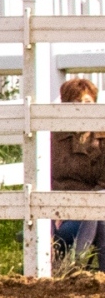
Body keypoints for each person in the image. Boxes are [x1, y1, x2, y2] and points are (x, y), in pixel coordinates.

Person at [52, 77, 105, 269]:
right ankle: (73, 269)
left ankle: (73, 266)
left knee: (99, 214)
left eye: (87, 102)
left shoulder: (102, 138)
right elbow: (44, 180)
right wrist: (55, 211)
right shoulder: (51, 138)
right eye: (75, 102)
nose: (82, 107)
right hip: (59, 213)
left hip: (92, 208)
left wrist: (83, 207)